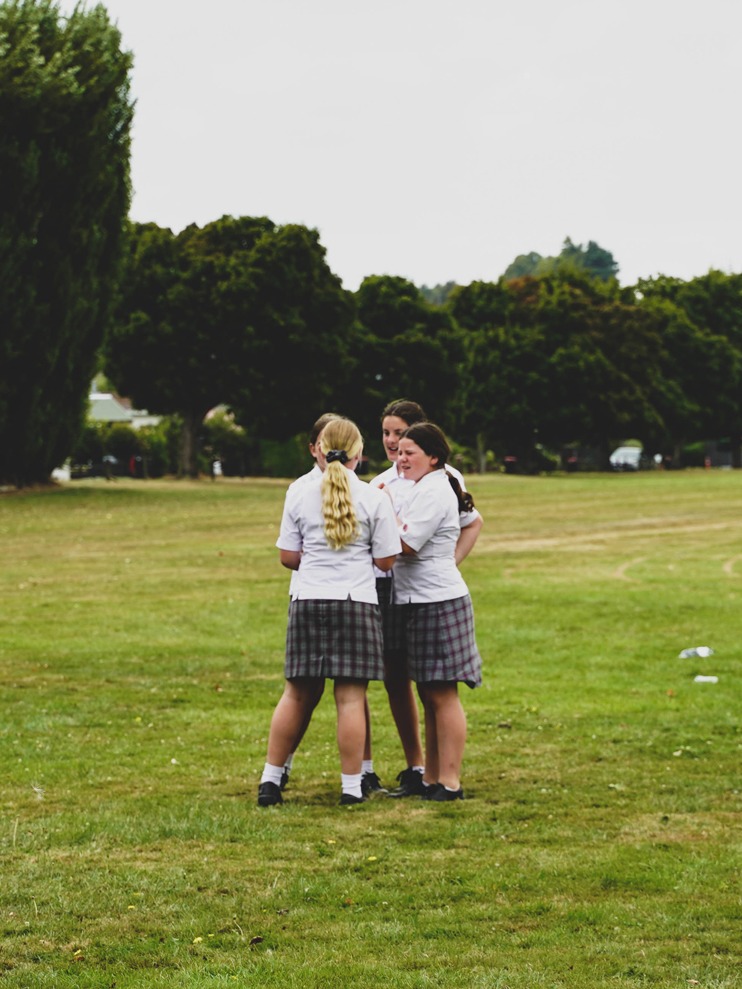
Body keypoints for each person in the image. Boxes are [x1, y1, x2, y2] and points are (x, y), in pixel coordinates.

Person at [258, 417, 401, 807]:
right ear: (358, 454)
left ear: (318, 450)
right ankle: (352, 786)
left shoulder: (298, 493)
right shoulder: (374, 497)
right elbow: (387, 561)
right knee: (351, 698)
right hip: (355, 601)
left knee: (296, 693)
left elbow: (288, 556)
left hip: (307, 600)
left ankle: (270, 781)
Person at [368, 400, 483, 797]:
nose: (399, 457)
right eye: (397, 451)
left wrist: (380, 510)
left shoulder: (435, 489)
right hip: (414, 598)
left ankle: (448, 781)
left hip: (437, 599)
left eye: (408, 451)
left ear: (433, 457)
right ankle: (431, 777)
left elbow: (405, 544)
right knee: (427, 689)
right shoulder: (421, 486)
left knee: (441, 692)